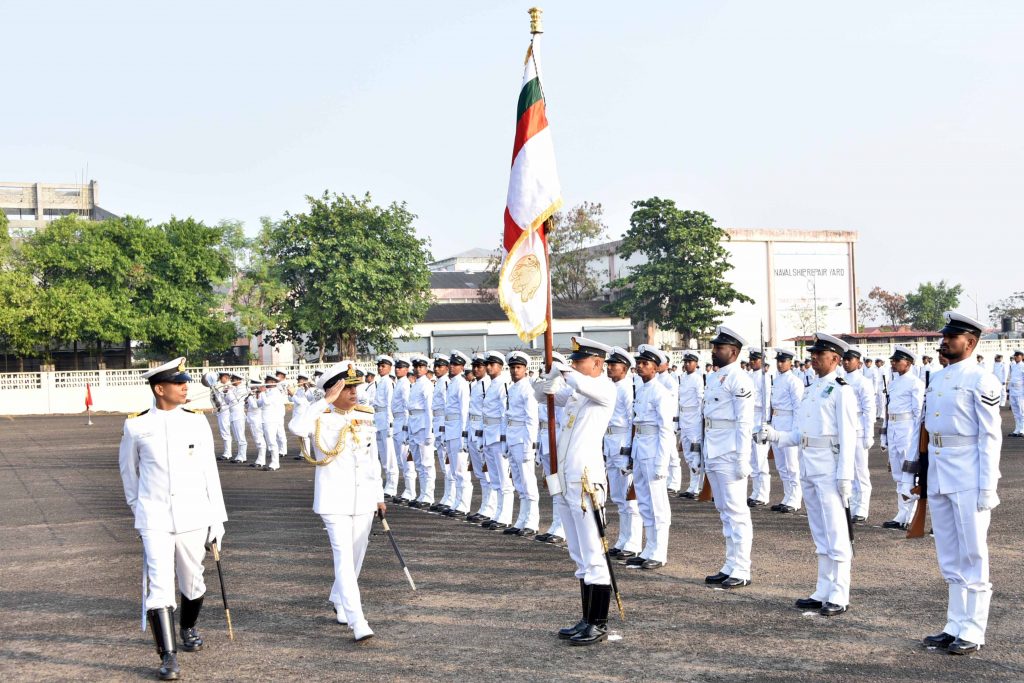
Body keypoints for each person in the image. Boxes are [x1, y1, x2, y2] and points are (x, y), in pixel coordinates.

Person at [119, 358, 228, 680]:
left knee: (193, 580)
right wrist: (139, 510)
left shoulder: (196, 422)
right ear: (159, 388)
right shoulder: (136, 425)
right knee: (159, 586)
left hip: (194, 516)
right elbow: (129, 474)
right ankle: (167, 656)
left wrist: (217, 521)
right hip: (154, 518)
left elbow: (210, 473)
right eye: (178, 382)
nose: (185, 387)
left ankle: (188, 626)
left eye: (185, 382)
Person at [903, 312, 1002, 655]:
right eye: (945, 336)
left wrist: (987, 488)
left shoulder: (982, 380)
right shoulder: (938, 379)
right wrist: (918, 474)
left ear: (970, 343)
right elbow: (927, 432)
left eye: (952, 337)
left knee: (972, 555)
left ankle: (973, 631)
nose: (944, 341)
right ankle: (954, 624)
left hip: (969, 475)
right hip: (941, 473)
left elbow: (990, 438)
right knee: (949, 556)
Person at [760, 333, 857, 616]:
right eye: (813, 353)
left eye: (820, 354)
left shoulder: (842, 390)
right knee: (820, 532)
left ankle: (839, 593)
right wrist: (776, 435)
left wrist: (845, 476)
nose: (814, 357)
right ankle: (823, 589)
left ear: (835, 359)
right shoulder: (812, 388)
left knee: (836, 532)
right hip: (808, 466)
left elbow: (848, 437)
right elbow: (800, 434)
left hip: (829, 468)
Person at [288, 361, 384, 642]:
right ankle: (359, 621)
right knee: (343, 558)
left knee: (356, 555)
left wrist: (378, 496)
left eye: (356, 387)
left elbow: (371, 460)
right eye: (347, 388)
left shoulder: (365, 415)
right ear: (332, 390)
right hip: (334, 499)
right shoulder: (319, 415)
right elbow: (297, 427)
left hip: (363, 498)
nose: (355, 393)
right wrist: (324, 402)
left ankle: (339, 598)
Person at [532, 337, 617, 645]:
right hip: (567, 480)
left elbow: (580, 383)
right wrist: (551, 376)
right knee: (579, 554)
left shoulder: (604, 389)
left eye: (579, 360)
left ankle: (599, 622)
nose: (574, 364)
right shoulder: (578, 394)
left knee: (594, 553)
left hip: (586, 482)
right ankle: (586, 619)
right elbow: (540, 395)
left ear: (597, 363)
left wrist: (564, 371)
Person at [700, 327, 755, 589]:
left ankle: (742, 568)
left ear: (733, 352)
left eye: (719, 348)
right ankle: (729, 564)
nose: (714, 351)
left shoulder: (740, 379)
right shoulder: (714, 378)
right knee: (724, 511)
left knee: (737, 512)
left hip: (731, 451)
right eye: (714, 347)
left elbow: (744, 422)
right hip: (714, 449)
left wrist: (743, 458)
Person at [625, 344, 675, 570]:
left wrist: (662, 462)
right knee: (644, 503)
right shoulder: (641, 389)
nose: (640, 367)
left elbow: (666, 430)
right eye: (639, 363)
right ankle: (648, 548)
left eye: (645, 364)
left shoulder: (660, 393)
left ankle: (659, 552)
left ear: (655, 368)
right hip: (640, 448)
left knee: (658, 505)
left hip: (655, 449)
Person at [882, 345, 925, 531]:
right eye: (893, 360)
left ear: (907, 363)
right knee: (899, 476)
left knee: (909, 476)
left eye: (896, 361)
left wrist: (916, 439)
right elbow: (888, 410)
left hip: (907, 431)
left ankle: (907, 516)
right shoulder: (893, 382)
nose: (893, 363)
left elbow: (918, 413)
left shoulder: (915, 383)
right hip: (894, 429)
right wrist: (884, 436)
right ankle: (902, 514)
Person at [605, 347, 640, 557]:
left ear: (624, 368)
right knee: (618, 498)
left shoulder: (627, 389)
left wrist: (628, 451)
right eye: (608, 364)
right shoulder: (610, 387)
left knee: (629, 498)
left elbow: (631, 421)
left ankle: (633, 543)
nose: (609, 368)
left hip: (622, 445)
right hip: (610, 443)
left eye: (613, 365)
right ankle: (623, 539)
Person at [505, 351, 540, 536]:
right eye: (512, 367)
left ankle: (532, 521)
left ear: (526, 369)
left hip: (523, 438)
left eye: (518, 367)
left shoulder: (528, 389)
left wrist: (530, 445)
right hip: (513, 436)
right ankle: (521, 519)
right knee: (518, 481)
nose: (514, 371)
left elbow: (532, 419)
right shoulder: (512, 388)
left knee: (528, 481)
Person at [841, 346, 876, 523]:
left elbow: (869, 409)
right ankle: (852, 505)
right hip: (844, 428)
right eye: (844, 359)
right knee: (847, 469)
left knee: (861, 471)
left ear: (859, 363)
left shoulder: (863, 382)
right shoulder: (839, 380)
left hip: (859, 428)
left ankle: (862, 508)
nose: (846, 362)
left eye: (850, 359)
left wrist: (869, 434)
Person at [481, 352, 515, 530]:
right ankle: (497, 513)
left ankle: (505, 516)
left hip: (498, 435)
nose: (488, 367)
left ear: (500, 366)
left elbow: (504, 413)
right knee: (495, 478)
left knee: (504, 479)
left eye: (492, 364)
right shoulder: (491, 384)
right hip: (489, 434)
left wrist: (504, 438)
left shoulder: (503, 384)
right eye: (487, 364)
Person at [769, 348, 804, 513]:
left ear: (790, 362)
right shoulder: (776, 380)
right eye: (778, 361)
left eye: (783, 361)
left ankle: (795, 499)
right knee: (781, 465)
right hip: (777, 423)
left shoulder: (794, 381)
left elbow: (798, 408)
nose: (780, 364)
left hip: (789, 424)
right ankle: (787, 496)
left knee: (792, 465)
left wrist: (796, 429)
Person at [444, 351, 473, 517]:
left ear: (462, 367)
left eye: (455, 365)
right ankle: (457, 501)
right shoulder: (452, 383)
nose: (452, 367)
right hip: (450, 429)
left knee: (461, 470)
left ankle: (464, 504)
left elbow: (464, 411)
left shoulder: (461, 384)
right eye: (451, 364)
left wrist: (463, 434)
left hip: (457, 430)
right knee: (454, 470)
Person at [466, 353, 495, 524]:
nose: (476, 369)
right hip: (472, 428)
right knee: (480, 473)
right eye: (474, 366)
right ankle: (485, 506)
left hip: (482, 429)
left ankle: (490, 508)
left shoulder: (487, 385)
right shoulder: (475, 385)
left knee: (488, 472)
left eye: (480, 366)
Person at [406, 355, 437, 509]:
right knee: (418, 463)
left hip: (423, 426)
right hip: (414, 424)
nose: (418, 369)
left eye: (421, 367)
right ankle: (422, 493)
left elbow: (429, 410)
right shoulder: (415, 384)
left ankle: (429, 495)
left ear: (426, 369)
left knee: (427, 463)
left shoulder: (426, 385)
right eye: (416, 367)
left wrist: (430, 432)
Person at [677, 352, 705, 499]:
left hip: (694, 420)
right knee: (687, 455)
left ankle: (697, 487)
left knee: (695, 455)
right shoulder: (683, 378)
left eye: (690, 362)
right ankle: (692, 486)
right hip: (684, 419)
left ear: (696, 363)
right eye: (686, 361)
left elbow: (701, 400)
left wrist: (701, 420)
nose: (687, 364)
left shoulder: (698, 379)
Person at [747, 349, 772, 507]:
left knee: (761, 460)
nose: (752, 362)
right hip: (750, 418)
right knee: (753, 460)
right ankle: (755, 492)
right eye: (751, 359)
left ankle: (763, 494)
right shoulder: (749, 376)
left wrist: (765, 422)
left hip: (760, 419)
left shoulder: (765, 377)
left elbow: (766, 400)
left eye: (756, 359)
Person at [430, 355, 454, 512]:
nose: (437, 369)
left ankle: (451, 498)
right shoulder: (439, 382)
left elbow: (447, 407)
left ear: (447, 368)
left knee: (448, 464)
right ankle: (447, 496)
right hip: (438, 424)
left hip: (444, 424)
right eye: (436, 366)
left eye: (440, 366)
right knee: (443, 464)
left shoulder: (446, 382)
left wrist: (445, 427)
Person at [391, 359, 417, 504]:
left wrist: (407, 429)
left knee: (407, 461)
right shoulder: (399, 383)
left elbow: (408, 407)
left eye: (401, 368)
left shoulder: (405, 384)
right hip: (397, 422)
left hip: (403, 424)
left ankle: (410, 492)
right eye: (397, 367)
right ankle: (407, 490)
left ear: (407, 370)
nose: (397, 370)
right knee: (401, 461)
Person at [258, 373, 286, 470]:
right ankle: (273, 462)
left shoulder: (275, 392)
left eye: (268, 381)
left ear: (273, 382)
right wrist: (258, 394)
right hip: (266, 419)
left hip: (271, 420)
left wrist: (262, 392)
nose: (266, 382)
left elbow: (267, 403)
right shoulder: (269, 392)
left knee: (272, 442)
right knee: (270, 441)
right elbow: (260, 404)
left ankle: (275, 463)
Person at [243, 376, 266, 466]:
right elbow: (248, 407)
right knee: (257, 440)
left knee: (259, 440)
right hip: (252, 420)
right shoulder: (253, 395)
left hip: (257, 420)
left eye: (252, 386)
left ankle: (261, 461)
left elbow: (255, 406)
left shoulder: (259, 395)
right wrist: (246, 401)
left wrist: (249, 397)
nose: (251, 388)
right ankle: (260, 459)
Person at [211, 371, 233, 460]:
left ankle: (228, 453)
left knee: (225, 432)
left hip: (226, 411)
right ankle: (227, 452)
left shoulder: (229, 386)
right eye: (223, 377)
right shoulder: (218, 385)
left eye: (226, 377)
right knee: (224, 432)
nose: (225, 379)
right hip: (221, 411)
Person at [1007, 350, 1024, 436]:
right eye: (1015, 355)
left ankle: (1022, 430)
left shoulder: (1023, 366)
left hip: (1020, 391)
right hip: (1013, 391)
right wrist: (1008, 389)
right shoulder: (1013, 366)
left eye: (1018, 355)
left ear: (1022, 357)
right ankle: (1017, 429)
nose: (1016, 357)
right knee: (1015, 412)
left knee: (1022, 411)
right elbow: (1011, 378)